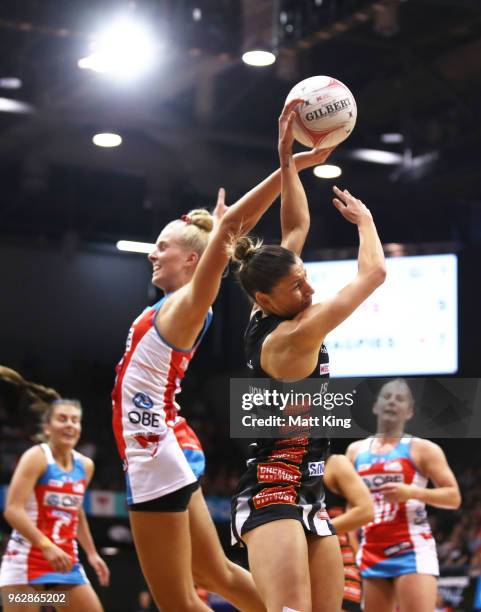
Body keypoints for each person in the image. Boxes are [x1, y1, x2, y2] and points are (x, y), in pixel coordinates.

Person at [111, 98, 333, 612]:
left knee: (177, 601)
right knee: (215, 574)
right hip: (165, 440)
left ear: (193, 259)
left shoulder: (191, 303)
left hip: (154, 448)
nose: (152, 252)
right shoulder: (178, 303)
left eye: (161, 246)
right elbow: (241, 230)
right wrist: (288, 166)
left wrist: (290, 162)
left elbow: (234, 227)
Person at [229, 104, 386, 612]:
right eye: (298, 286)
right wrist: (365, 222)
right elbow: (374, 275)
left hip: (311, 488)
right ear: (265, 301)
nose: (310, 288)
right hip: (273, 488)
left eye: (305, 275)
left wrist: (288, 158)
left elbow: (294, 224)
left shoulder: (273, 294)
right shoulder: (292, 336)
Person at [346, 378, 462, 612]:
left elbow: (453, 497)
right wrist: (354, 548)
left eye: (400, 399)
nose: (392, 402)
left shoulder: (423, 449)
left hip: (411, 550)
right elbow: (351, 507)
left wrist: (412, 492)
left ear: (409, 412)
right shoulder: (355, 451)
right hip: (371, 551)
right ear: (375, 406)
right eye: (387, 397)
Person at [0, 367, 109, 612]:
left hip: (65, 566)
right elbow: (12, 510)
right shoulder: (36, 457)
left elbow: (76, 512)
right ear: (47, 428)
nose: (70, 425)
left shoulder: (85, 465)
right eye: (62, 419)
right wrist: (46, 545)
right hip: (26, 563)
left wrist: (91, 554)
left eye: (75, 420)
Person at [323, 453, 374, 612]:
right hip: (296, 563)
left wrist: (312, 531)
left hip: (337, 561)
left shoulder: (334, 464)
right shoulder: (277, 469)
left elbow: (366, 511)